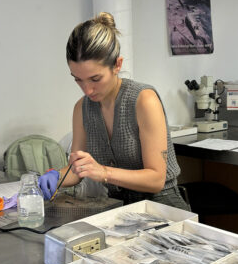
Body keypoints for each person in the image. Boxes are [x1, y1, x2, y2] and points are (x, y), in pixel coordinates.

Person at [38, 12, 189, 210]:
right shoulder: (81, 109)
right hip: (117, 206)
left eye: (95, 79)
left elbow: (156, 179)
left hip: (162, 205)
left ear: (117, 65)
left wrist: (103, 172)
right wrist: (56, 177)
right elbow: (77, 170)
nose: (87, 90)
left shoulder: (144, 100)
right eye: (78, 79)